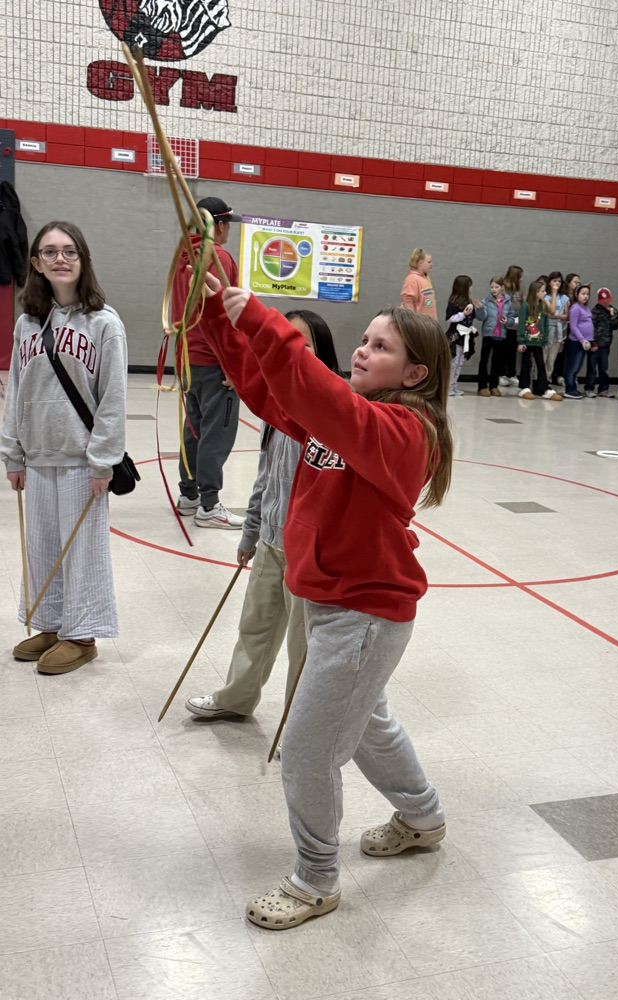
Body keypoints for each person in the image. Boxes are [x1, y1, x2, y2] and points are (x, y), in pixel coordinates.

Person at [198, 275, 452, 931]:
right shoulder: (352, 413)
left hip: (365, 614)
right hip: (334, 603)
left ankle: (315, 879)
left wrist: (259, 318)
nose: (362, 351)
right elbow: (269, 390)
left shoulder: (404, 430)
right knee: (367, 725)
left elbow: (322, 397)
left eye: (380, 346)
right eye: (363, 340)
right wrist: (217, 316)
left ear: (416, 374)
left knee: (309, 750)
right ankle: (423, 817)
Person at [186, 312, 341, 720]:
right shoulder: (276, 407)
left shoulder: (333, 414)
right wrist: (250, 532)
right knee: (255, 626)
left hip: (308, 553)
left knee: (301, 644)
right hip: (271, 541)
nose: (293, 349)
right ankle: (237, 698)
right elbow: (265, 478)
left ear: (323, 352)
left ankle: (300, 726)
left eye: (304, 342)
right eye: (286, 340)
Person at [1, 221, 127, 673]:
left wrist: (103, 461)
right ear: (35, 262)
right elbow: (16, 390)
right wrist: (12, 453)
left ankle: (82, 634)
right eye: (50, 251)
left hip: (81, 460)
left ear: (83, 260)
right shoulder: (26, 324)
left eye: (69, 251)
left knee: (82, 551)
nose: (60, 258)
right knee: (42, 548)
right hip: (37, 458)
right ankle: (52, 625)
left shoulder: (105, 322)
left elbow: (113, 398)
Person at [172, 196, 243, 528]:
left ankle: (189, 494)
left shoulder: (183, 255)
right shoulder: (218, 256)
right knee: (218, 430)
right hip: (213, 359)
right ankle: (209, 504)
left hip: (188, 357)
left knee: (195, 427)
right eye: (228, 224)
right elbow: (224, 313)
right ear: (220, 225)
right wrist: (232, 363)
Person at [516, 279, 562, 400]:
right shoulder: (526, 306)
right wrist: (521, 340)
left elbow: (545, 323)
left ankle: (543, 387)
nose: (545, 293)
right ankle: (524, 386)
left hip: (538, 341)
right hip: (527, 341)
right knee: (526, 364)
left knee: (540, 364)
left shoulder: (543, 306)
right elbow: (521, 323)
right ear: (535, 292)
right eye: (542, 291)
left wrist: (545, 338)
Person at [445, 274, 480, 396]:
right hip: (456, 335)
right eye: (469, 286)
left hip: (466, 335)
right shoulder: (453, 302)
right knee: (453, 362)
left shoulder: (469, 302)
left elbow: (471, 320)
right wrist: (463, 315)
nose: (471, 288)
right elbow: (449, 318)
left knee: (460, 362)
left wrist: (473, 337)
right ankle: (448, 386)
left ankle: (454, 385)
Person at [476, 276, 511, 397]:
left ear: (502, 287)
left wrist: (507, 321)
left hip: (501, 335)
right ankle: (482, 386)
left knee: (497, 362)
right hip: (488, 335)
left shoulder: (508, 302)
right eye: (492, 287)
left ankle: (494, 386)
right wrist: (480, 309)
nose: (494, 289)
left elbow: (512, 318)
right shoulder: (486, 301)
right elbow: (481, 317)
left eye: (496, 287)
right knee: (484, 360)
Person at [584, 287, 618, 397]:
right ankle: (589, 388)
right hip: (595, 344)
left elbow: (616, 326)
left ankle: (603, 389)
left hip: (606, 344)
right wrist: (593, 343)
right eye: (603, 301)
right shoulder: (594, 312)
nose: (605, 303)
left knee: (603, 367)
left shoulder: (613, 311)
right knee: (592, 367)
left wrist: (612, 316)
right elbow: (590, 328)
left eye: (607, 301)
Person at [564, 284, 593, 399]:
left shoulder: (586, 308)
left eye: (587, 294)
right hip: (577, 342)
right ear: (577, 295)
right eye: (583, 294)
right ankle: (569, 389)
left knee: (578, 366)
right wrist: (582, 340)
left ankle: (573, 387)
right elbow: (573, 326)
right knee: (573, 366)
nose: (586, 296)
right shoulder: (575, 308)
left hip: (585, 342)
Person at [499, 264, 523, 386]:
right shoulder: (503, 290)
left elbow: (521, 306)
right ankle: (502, 374)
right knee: (503, 350)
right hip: (504, 325)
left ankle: (512, 374)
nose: (522, 279)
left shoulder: (519, 291)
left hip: (515, 325)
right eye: (520, 277)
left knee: (513, 351)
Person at [544, 271, 569, 383]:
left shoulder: (564, 297)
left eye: (559, 281)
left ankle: (547, 379)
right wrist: (554, 293)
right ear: (549, 282)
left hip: (558, 330)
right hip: (547, 329)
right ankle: (538, 379)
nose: (557, 283)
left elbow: (566, 316)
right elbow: (550, 311)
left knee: (552, 358)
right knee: (544, 355)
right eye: (554, 281)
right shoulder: (546, 296)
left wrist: (556, 316)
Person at [400, 248, 437, 320]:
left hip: (430, 323)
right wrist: (413, 322)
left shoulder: (426, 278)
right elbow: (408, 302)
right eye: (429, 262)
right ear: (420, 263)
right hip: (420, 324)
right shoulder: (412, 279)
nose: (431, 264)